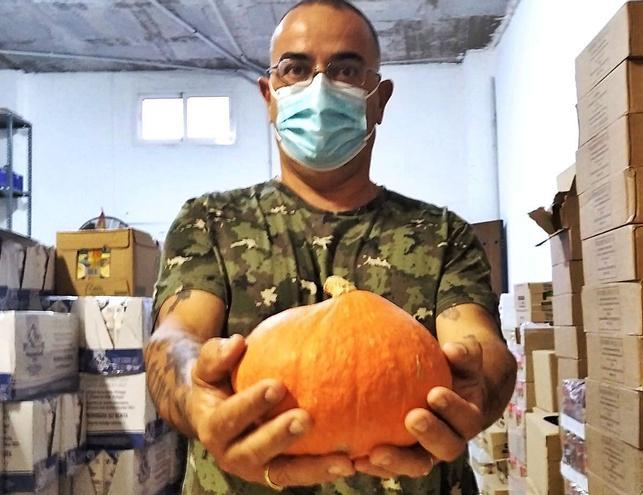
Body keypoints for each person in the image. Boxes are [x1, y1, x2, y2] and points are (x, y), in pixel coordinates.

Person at [145, 1, 517, 493]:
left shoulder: (440, 233)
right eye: (295, 69)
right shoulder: (210, 222)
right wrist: (196, 396)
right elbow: (177, 335)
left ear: (378, 99)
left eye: (344, 69)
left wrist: (479, 388)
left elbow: (480, 344)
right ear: (270, 94)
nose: (318, 88)